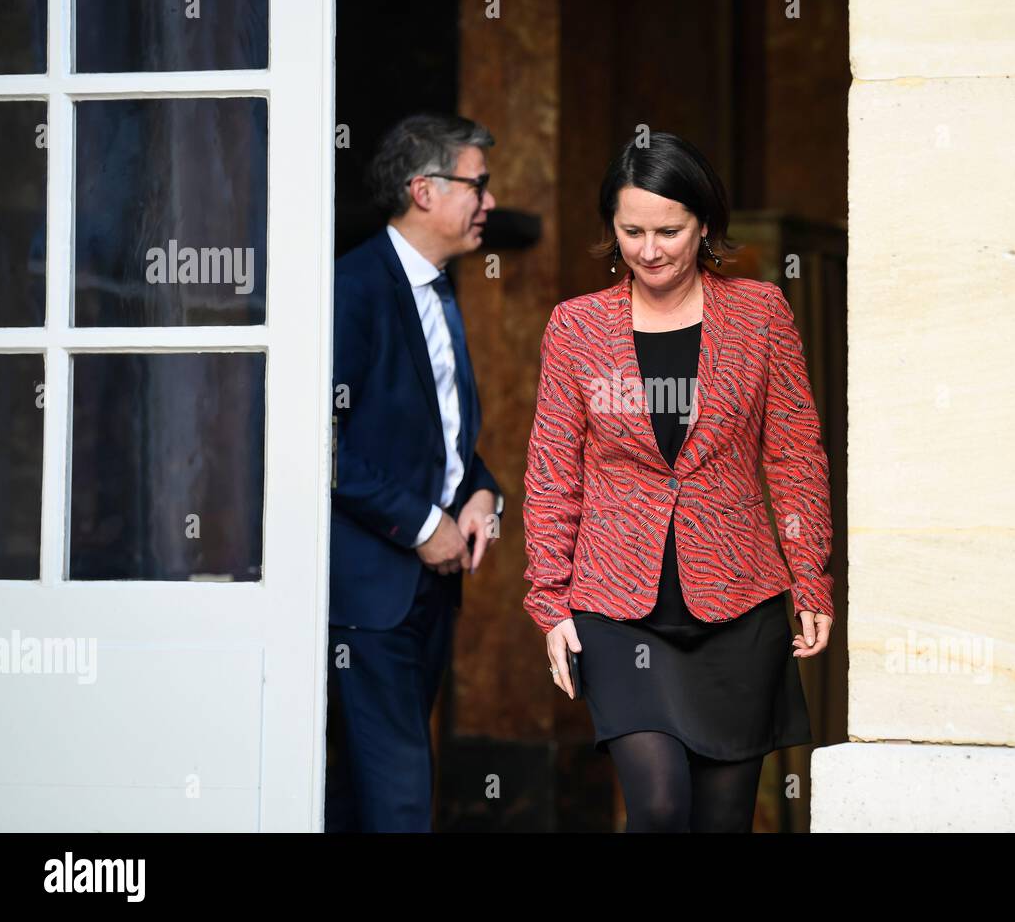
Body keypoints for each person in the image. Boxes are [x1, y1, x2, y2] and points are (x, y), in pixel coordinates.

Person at [522, 132, 834, 832]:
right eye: (631, 231)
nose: (649, 249)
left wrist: (810, 575)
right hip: (615, 603)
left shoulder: (761, 316)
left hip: (737, 603)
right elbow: (551, 471)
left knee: (723, 820)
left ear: (704, 225)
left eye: (669, 230)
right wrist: (549, 598)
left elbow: (794, 456)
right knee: (660, 807)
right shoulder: (576, 327)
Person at [326, 112, 505, 832]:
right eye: (478, 185)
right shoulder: (354, 287)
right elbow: (318, 443)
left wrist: (483, 492)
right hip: (368, 598)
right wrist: (425, 524)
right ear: (423, 190)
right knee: (399, 800)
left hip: (429, 593)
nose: (490, 202)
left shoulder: (438, 290)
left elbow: (442, 440)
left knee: (363, 798)